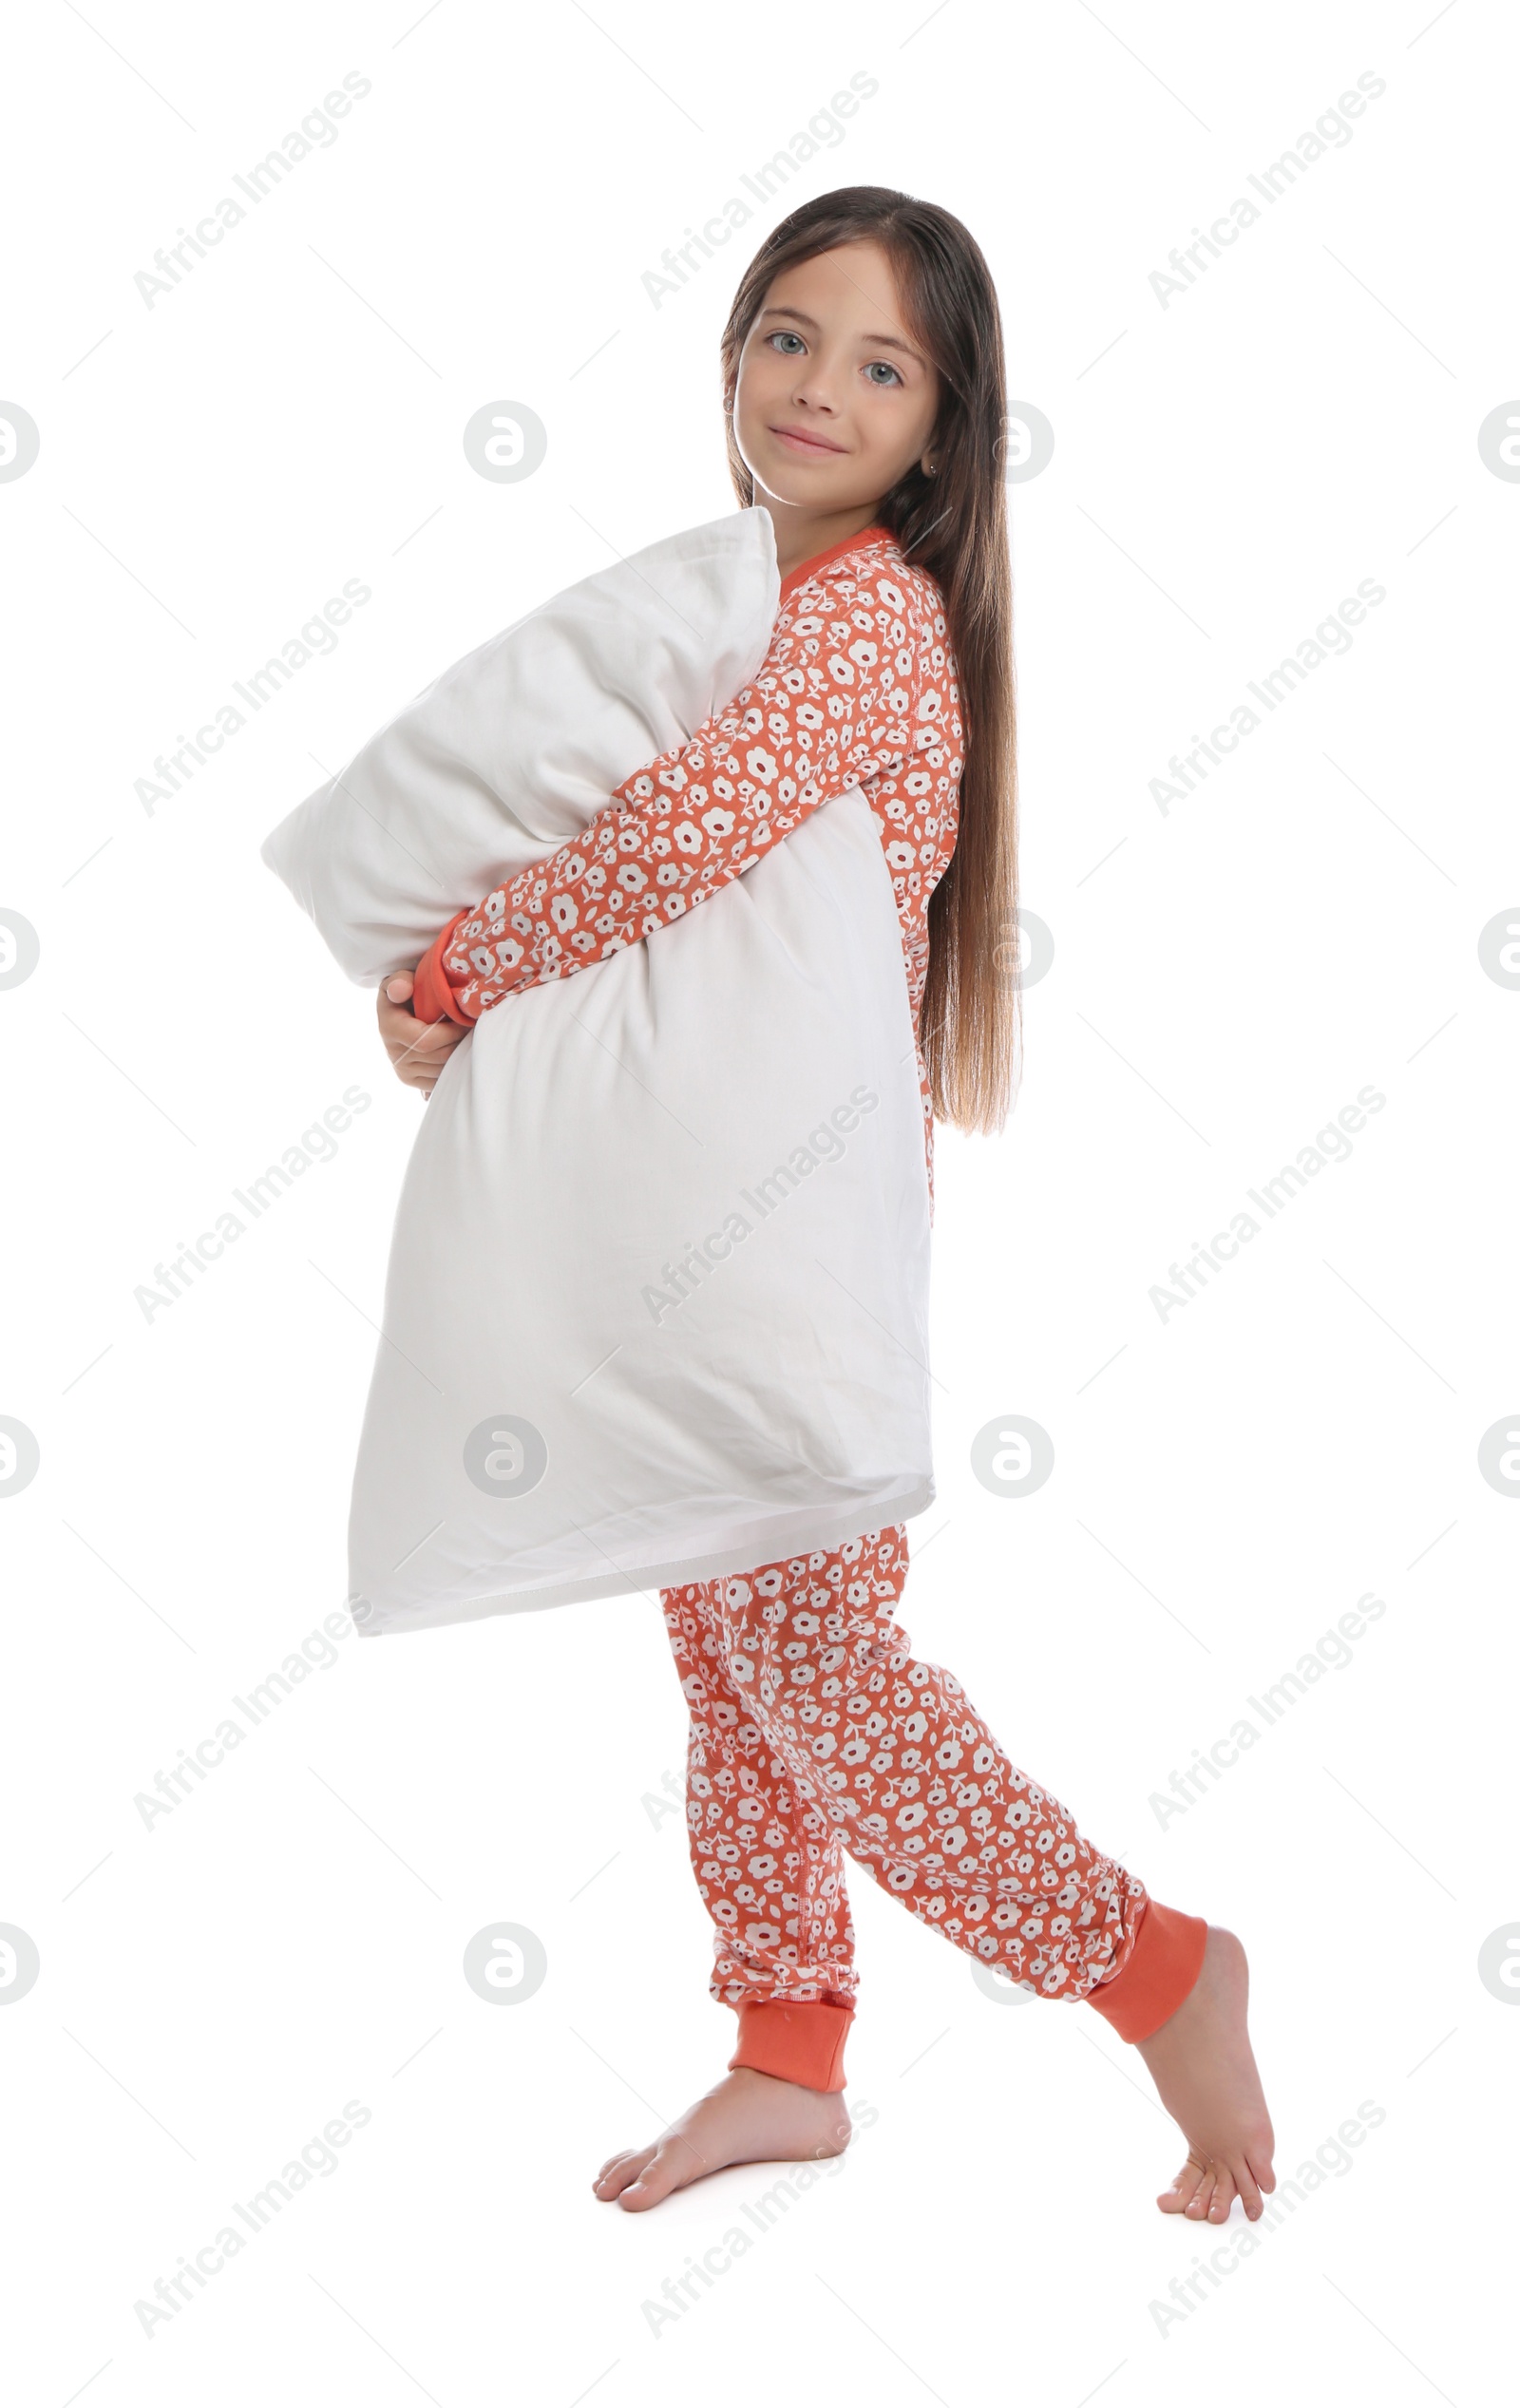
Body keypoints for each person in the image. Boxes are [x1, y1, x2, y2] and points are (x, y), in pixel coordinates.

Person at [376, 186, 1276, 2227]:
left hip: (792, 1232)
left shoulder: (863, 618)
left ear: (941, 430)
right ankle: (786, 2048)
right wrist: (480, 1017)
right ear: (724, 356)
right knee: (734, 1644)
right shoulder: (736, 606)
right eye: (785, 334)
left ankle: (1154, 1968)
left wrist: (455, 970)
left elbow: (669, 841)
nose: (815, 386)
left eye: (880, 364)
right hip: (708, 1219)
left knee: (814, 1663)